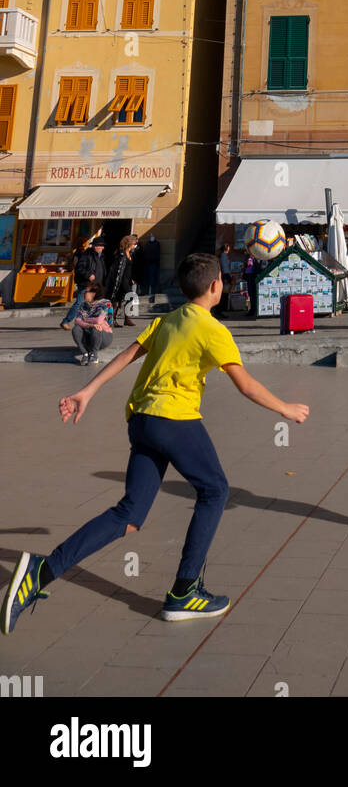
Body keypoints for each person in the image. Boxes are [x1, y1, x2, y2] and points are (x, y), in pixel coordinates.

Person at [0, 252, 310, 636]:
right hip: (173, 420)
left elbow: (127, 356)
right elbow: (244, 383)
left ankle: (40, 571)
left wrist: (88, 391)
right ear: (216, 286)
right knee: (215, 491)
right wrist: (285, 409)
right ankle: (185, 590)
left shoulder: (167, 321)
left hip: (142, 421)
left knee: (129, 515)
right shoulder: (213, 329)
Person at [61, 233, 106, 330]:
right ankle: (66, 321)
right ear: (95, 246)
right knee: (80, 303)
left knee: (92, 305)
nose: (102, 248)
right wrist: (89, 275)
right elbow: (79, 268)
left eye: (102, 246)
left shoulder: (100, 256)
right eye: (100, 246)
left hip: (96, 285)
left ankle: (87, 323)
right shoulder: (87, 255)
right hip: (86, 284)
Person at [70, 287, 114, 366]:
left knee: (96, 328)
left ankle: (94, 355)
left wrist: (85, 320)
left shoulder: (106, 303)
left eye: (86, 292)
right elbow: (77, 321)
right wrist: (90, 325)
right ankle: (85, 354)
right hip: (88, 336)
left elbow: (99, 321)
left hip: (104, 336)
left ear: (94, 293)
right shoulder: (83, 305)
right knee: (76, 329)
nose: (84, 294)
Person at [106, 235, 138, 326]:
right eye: (134, 243)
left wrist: (131, 278)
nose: (134, 245)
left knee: (118, 298)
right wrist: (117, 281)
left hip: (127, 279)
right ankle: (115, 319)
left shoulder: (130, 254)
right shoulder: (121, 254)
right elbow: (118, 270)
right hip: (121, 280)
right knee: (129, 296)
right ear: (130, 243)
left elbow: (129, 268)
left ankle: (121, 319)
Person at [140, 235, 161, 301]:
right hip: (148, 263)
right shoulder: (147, 243)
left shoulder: (157, 244)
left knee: (153, 278)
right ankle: (148, 291)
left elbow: (158, 253)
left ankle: (152, 292)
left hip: (154, 263)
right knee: (148, 278)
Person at [214, 245, 232, 319]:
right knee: (223, 296)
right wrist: (228, 279)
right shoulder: (224, 256)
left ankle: (218, 311)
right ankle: (219, 311)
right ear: (226, 249)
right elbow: (225, 268)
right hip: (224, 278)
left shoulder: (220, 256)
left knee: (221, 295)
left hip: (221, 278)